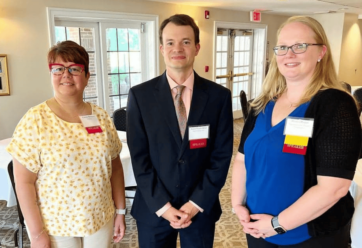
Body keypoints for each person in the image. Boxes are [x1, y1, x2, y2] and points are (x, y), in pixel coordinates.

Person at [231, 16, 361, 248]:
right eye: (282, 47)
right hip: (258, 230)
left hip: (311, 236)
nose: (288, 54)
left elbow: (334, 188)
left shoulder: (335, 104)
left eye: (299, 46)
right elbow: (241, 160)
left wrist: (276, 224)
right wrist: (238, 205)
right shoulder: (262, 104)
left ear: (321, 52)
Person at [127, 14, 233, 248]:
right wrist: (163, 207)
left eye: (185, 42)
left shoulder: (219, 97)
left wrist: (196, 203)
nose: (178, 48)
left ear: (196, 47)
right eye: (171, 43)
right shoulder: (140, 96)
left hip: (200, 208)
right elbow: (139, 158)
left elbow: (222, 156)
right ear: (162, 48)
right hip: (154, 209)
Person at [6, 40, 126, 248]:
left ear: (87, 76)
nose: (66, 75)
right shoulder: (35, 119)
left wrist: (121, 212)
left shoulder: (101, 117)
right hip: (55, 225)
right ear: (51, 75)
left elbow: (115, 167)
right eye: (58, 69)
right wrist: (36, 234)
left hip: (100, 218)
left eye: (74, 69)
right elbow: (24, 182)